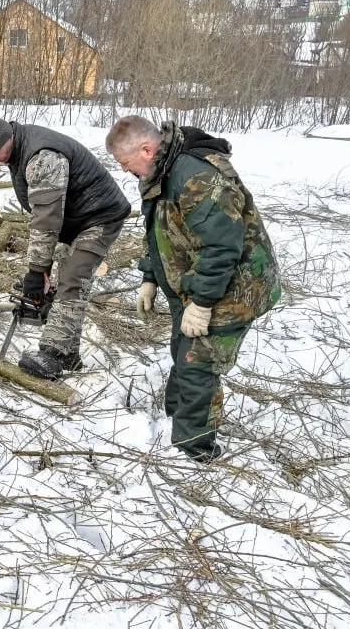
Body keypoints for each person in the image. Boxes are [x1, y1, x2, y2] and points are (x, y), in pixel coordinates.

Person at [105, 115, 281, 462]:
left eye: (126, 163)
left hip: (233, 286)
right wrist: (150, 278)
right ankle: (176, 416)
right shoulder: (161, 170)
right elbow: (160, 231)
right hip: (192, 281)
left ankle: (194, 448)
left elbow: (221, 247)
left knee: (198, 362)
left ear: (146, 149)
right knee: (182, 349)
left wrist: (202, 303)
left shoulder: (196, 177)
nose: (125, 171)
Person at [0, 117, 131, 379]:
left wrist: (37, 270)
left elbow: (46, 220)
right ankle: (69, 354)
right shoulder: (19, 150)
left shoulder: (43, 157)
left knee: (73, 279)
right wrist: (41, 271)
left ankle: (52, 353)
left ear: (8, 140)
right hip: (79, 219)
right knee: (65, 278)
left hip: (100, 217)